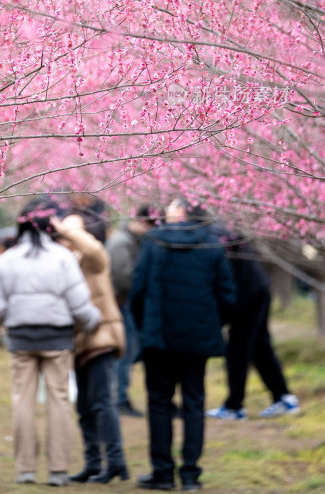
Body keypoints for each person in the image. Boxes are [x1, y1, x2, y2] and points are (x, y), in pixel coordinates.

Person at [0, 195, 101, 487]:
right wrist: (92, 321)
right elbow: (79, 303)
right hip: (57, 338)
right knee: (59, 401)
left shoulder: (7, 259)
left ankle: (25, 469)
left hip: (20, 338)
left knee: (22, 401)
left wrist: (7, 322)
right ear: (51, 226)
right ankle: (58, 470)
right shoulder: (62, 257)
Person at [130, 197, 236, 491]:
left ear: (180, 213)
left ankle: (163, 473)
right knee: (194, 403)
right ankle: (190, 474)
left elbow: (137, 290)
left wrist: (144, 327)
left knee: (159, 404)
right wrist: (211, 323)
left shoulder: (153, 241)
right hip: (196, 337)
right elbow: (227, 296)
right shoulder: (212, 244)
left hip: (159, 336)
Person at [56, 195, 129, 485]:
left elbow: (92, 247)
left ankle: (116, 462)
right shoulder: (68, 261)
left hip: (101, 336)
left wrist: (70, 227)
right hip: (79, 341)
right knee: (84, 407)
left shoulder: (96, 260)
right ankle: (92, 463)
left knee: (102, 402)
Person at [205, 226, 299, 420]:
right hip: (256, 289)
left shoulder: (213, 239)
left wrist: (221, 317)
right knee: (260, 347)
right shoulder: (218, 234)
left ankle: (234, 407)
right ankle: (283, 397)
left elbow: (225, 281)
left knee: (239, 350)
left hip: (248, 296)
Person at [106, 204, 155, 417]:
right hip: (119, 304)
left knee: (128, 351)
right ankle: (118, 398)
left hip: (122, 303)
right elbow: (122, 276)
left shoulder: (127, 240)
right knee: (125, 352)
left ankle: (119, 396)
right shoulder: (122, 242)